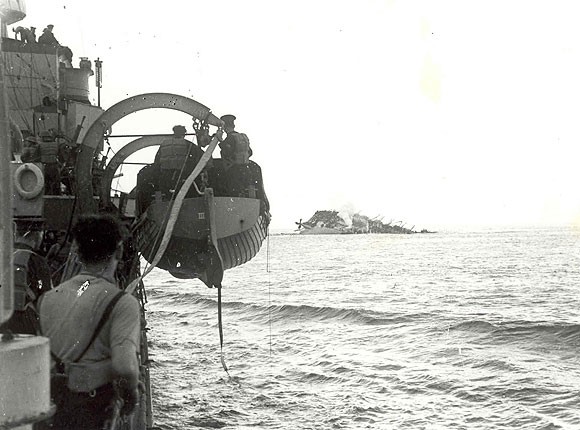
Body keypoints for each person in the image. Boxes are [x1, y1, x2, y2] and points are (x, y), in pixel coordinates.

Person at [38, 214, 141, 429]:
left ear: (78, 253)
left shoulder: (48, 298)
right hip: (94, 410)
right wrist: (131, 397)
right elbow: (126, 366)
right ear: (119, 251)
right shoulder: (123, 303)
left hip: (52, 407)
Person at [0, 218, 52, 335]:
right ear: (38, 234)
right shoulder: (37, 261)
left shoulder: (3, 255)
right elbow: (47, 299)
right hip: (23, 324)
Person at [154, 125, 203, 196]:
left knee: (167, 194)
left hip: (166, 176)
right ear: (184, 134)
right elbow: (199, 155)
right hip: (181, 175)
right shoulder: (186, 143)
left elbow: (157, 160)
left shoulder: (164, 144)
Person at [218, 114, 256, 197]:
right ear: (233, 125)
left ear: (224, 127)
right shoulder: (242, 137)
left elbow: (227, 152)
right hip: (246, 168)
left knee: (233, 192)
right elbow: (250, 152)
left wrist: (220, 142)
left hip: (234, 170)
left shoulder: (230, 138)